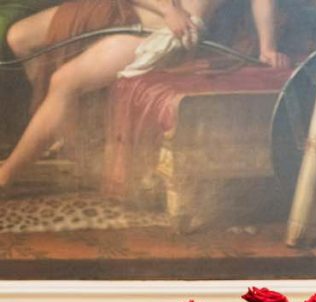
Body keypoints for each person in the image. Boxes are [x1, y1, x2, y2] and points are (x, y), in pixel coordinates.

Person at [0, 0, 289, 189]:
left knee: (64, 81)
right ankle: (64, 129)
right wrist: (167, 8)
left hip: (161, 35)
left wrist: (268, 47)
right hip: (127, 8)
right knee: (19, 37)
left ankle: (7, 175)